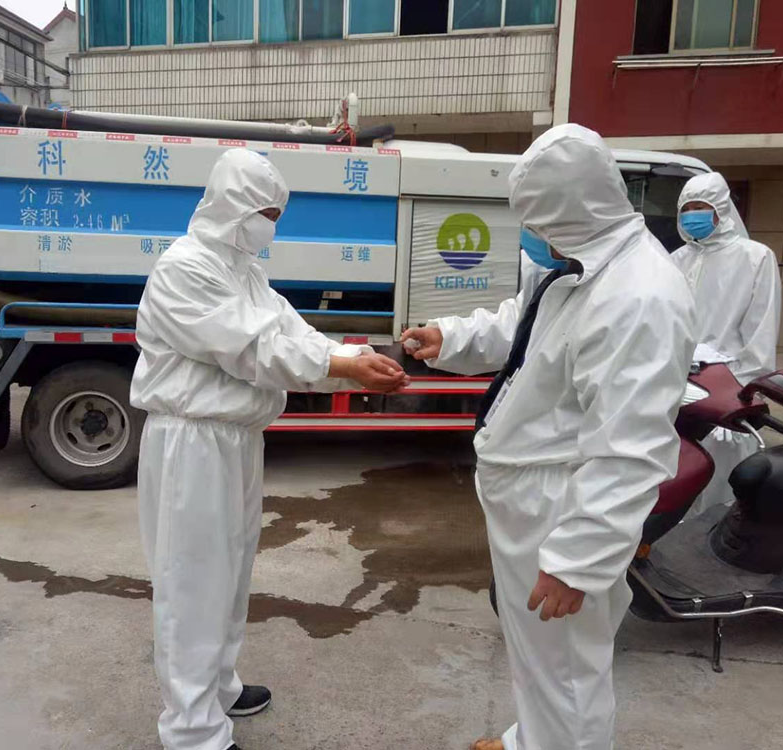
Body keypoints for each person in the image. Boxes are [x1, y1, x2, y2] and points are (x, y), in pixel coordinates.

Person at [401, 124, 695, 750]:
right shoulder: (585, 264)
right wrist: (451, 338)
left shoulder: (638, 296)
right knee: (539, 656)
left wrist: (577, 561)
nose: (532, 235)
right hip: (534, 496)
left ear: (571, 208)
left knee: (567, 673)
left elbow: (629, 450)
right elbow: (524, 327)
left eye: (538, 220)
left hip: (562, 503)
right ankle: (531, 739)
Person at [131, 148, 408, 750]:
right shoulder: (185, 268)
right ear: (234, 206)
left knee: (230, 572)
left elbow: (290, 331)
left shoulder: (245, 271)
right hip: (191, 441)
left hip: (235, 438)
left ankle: (218, 687)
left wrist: (354, 356)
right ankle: (192, 730)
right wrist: (342, 367)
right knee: (192, 582)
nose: (271, 226)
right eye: (267, 213)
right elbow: (251, 348)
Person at [672, 172, 781, 518]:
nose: (693, 216)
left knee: (721, 495)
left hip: (728, 393)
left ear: (721, 209)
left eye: (701, 207)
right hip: (680, 391)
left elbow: (760, 334)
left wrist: (739, 399)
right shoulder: (676, 260)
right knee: (678, 488)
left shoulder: (755, 258)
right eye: (687, 209)